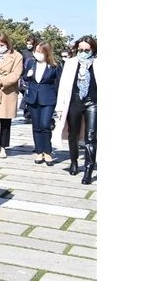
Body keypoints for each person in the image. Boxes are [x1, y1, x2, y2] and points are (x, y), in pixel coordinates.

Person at [55, 36, 98, 184]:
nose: (84, 53)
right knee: (73, 133)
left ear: (92, 49)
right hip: (74, 101)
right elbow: (63, 86)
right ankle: (74, 160)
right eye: (81, 50)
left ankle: (88, 169)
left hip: (92, 102)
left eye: (87, 50)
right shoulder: (71, 63)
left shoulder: (98, 64)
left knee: (91, 136)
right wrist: (60, 107)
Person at [23, 40, 62, 165]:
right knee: (36, 126)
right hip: (33, 98)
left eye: (40, 52)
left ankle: (48, 151)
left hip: (48, 99)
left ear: (47, 53)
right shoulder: (31, 63)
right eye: (36, 51)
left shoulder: (54, 66)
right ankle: (39, 151)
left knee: (45, 125)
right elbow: (24, 78)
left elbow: (58, 84)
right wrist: (27, 76)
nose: (37, 54)